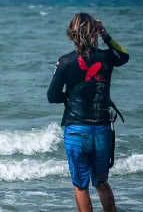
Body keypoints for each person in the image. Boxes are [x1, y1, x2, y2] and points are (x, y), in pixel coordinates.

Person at [47, 13, 129, 212]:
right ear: (95, 33)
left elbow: (52, 96)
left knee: (81, 186)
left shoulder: (65, 62)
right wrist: (106, 35)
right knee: (101, 183)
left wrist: (70, 96)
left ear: (72, 34)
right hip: (101, 130)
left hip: (76, 131)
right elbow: (124, 55)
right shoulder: (108, 57)